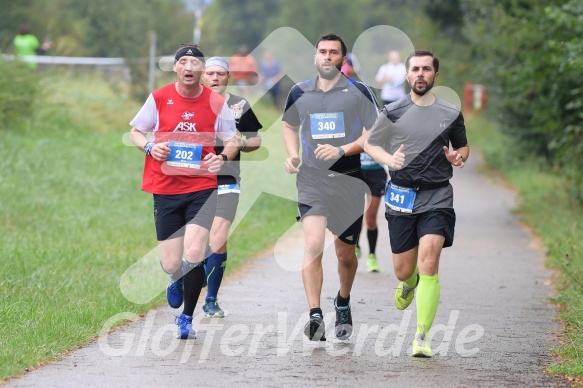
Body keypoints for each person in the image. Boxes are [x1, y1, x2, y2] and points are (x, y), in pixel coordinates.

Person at [364, 50, 469, 357]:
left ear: (436, 75)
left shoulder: (450, 112)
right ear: (406, 75)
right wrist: (388, 159)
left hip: (437, 194)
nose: (421, 74)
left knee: (430, 261)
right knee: (403, 270)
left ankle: (421, 336)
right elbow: (371, 143)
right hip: (401, 194)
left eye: (427, 69)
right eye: (415, 69)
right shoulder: (393, 111)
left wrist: (458, 156)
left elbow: (462, 146)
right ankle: (410, 283)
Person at [129, 44, 238, 339]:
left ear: (202, 70)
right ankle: (175, 277)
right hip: (164, 188)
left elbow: (233, 138)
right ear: (176, 68)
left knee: (194, 252)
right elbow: (136, 131)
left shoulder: (216, 102)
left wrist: (223, 157)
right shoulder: (159, 98)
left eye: (195, 63)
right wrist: (151, 146)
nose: (189, 67)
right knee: (171, 262)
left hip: (202, 187)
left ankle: (186, 318)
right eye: (184, 62)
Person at [282, 33, 379, 341]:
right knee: (312, 244)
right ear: (315, 57)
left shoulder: (357, 91)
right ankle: (314, 314)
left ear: (342, 59)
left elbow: (374, 133)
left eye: (333, 52)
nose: (327, 56)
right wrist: (293, 153)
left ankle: (343, 301)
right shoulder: (299, 91)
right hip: (312, 179)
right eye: (322, 51)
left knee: (345, 255)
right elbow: (289, 124)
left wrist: (344, 149)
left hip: (349, 180)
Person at [201, 57, 263, 318]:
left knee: (218, 235)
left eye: (220, 74)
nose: (215, 78)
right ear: (203, 76)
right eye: (210, 73)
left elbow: (256, 139)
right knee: (196, 241)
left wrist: (242, 143)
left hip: (228, 178)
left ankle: (211, 299)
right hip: (194, 180)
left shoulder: (239, 105)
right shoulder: (191, 103)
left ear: (228, 77)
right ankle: (189, 277)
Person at [355, 152, 388, 272]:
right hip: (356, 171)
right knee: (356, 215)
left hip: (375, 173)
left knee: (370, 218)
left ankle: (372, 256)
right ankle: (356, 246)